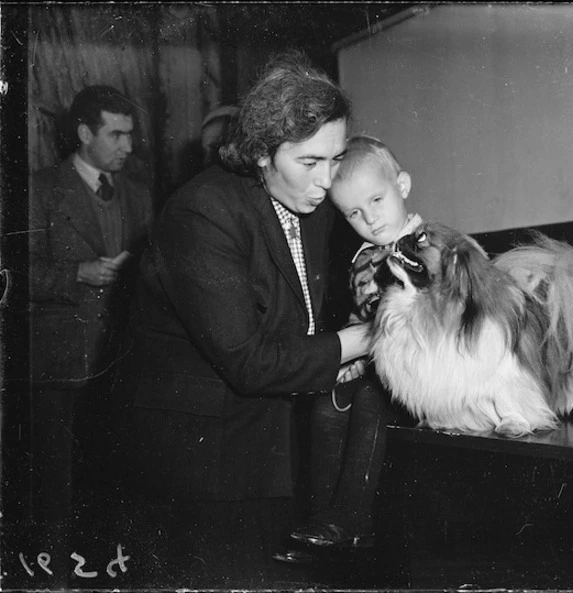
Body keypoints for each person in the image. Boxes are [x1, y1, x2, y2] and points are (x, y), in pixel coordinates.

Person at [119, 50, 370, 589]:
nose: (328, 181)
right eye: (309, 162)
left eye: (336, 159)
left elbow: (297, 316)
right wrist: (359, 340)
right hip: (203, 464)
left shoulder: (309, 201)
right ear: (260, 151)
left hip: (272, 449)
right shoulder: (203, 212)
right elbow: (249, 361)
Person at [27, 84, 153, 584]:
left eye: (130, 135)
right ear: (83, 133)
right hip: (57, 363)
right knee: (54, 485)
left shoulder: (141, 194)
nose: (127, 146)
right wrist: (78, 272)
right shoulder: (38, 188)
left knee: (114, 481)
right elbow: (10, 271)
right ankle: (50, 576)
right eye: (116, 134)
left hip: (121, 364)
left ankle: (111, 574)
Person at [288, 135, 422, 552]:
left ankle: (352, 516)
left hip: (421, 372)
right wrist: (344, 362)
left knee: (369, 399)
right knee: (328, 404)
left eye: (377, 201)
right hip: (376, 365)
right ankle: (323, 516)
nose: (371, 219)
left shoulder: (428, 247)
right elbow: (358, 320)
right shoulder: (364, 258)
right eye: (355, 213)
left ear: (402, 185)